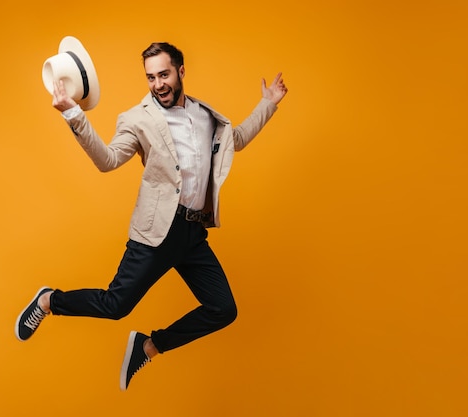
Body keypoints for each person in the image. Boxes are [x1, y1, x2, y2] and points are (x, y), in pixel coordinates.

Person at [15, 42, 288, 390]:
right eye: (150, 77)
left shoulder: (204, 116)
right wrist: (73, 114)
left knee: (223, 309)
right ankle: (49, 300)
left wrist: (268, 104)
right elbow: (108, 160)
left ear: (181, 72)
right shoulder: (137, 119)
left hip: (192, 233)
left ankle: (149, 346)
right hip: (155, 232)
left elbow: (235, 140)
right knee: (115, 306)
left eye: (164, 74)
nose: (157, 83)